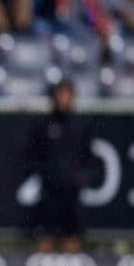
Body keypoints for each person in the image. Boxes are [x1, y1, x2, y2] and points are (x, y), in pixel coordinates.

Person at [28, 79, 91, 253]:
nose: (63, 98)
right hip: (49, 189)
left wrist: (79, 178)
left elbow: (87, 156)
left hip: (72, 189)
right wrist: (45, 175)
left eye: (67, 94)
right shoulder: (44, 125)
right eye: (60, 94)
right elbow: (36, 154)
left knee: (72, 234)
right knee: (45, 234)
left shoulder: (80, 126)